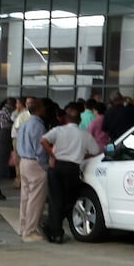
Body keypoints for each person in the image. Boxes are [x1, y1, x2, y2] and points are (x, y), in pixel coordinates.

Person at [40, 103, 100, 244]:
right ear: (79, 120)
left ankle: (55, 231)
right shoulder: (84, 134)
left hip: (57, 166)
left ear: (66, 119)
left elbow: (43, 140)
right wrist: (82, 154)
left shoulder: (58, 130)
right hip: (72, 168)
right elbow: (95, 151)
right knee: (69, 199)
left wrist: (52, 155)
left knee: (55, 200)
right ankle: (57, 228)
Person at [17, 98, 49, 242]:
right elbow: (40, 149)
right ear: (39, 109)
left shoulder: (25, 123)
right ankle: (30, 231)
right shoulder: (38, 126)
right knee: (36, 199)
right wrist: (45, 166)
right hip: (35, 163)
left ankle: (23, 227)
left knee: (25, 196)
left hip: (24, 160)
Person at [10, 97, 28, 189]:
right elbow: (12, 117)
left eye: (17, 103)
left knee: (19, 159)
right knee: (17, 160)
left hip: (20, 138)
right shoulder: (17, 113)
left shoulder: (25, 114)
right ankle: (18, 179)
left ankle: (20, 180)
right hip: (16, 137)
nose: (16, 105)